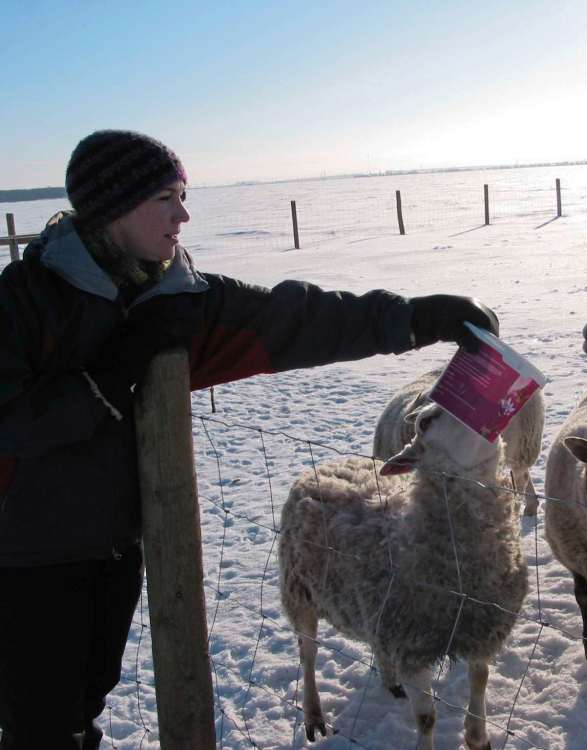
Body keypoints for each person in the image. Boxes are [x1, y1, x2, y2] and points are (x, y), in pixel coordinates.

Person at [0, 130, 499, 750]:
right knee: (37, 724)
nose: (184, 214)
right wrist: (114, 370)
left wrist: (419, 318)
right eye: (167, 198)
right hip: (23, 557)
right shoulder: (23, 303)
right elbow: (12, 420)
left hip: (116, 546)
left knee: (82, 709)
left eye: (183, 195)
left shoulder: (174, 298)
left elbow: (296, 318)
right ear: (112, 207)